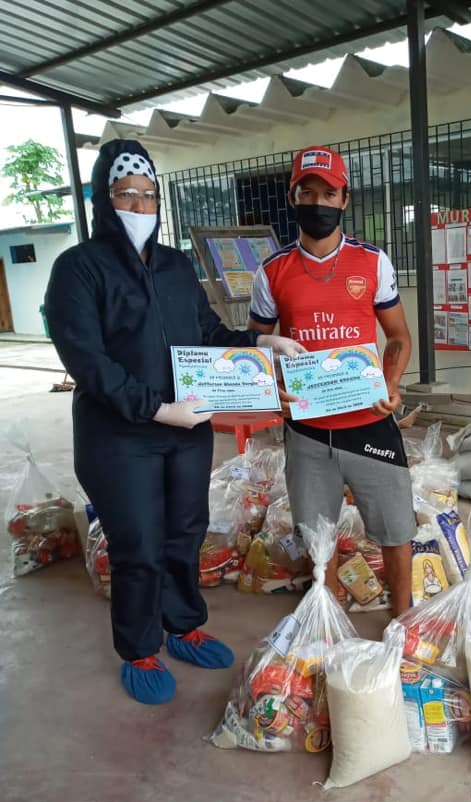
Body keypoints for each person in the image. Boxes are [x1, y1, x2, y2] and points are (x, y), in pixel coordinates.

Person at [45, 139, 302, 705]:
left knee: (186, 531)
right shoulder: (78, 270)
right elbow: (89, 362)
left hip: (186, 431)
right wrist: (157, 408)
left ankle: (183, 624)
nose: (140, 206)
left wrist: (261, 343)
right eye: (126, 194)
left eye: (148, 195)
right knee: (138, 544)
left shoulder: (175, 266)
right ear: (103, 199)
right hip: (119, 437)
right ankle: (139, 647)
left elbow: (206, 334)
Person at [248, 145, 415, 616]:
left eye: (328, 193)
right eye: (307, 192)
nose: (318, 202)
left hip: (369, 422)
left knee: (396, 531)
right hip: (306, 428)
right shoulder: (272, 271)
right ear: (293, 197)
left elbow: (398, 337)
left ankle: (402, 618)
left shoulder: (373, 262)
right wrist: (273, 392)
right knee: (317, 537)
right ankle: (329, 619)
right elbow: (254, 348)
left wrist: (390, 384)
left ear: (344, 199)